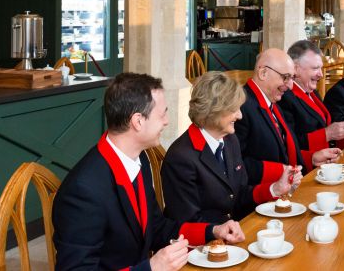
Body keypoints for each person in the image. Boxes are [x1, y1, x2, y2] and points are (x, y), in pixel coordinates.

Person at [52, 72, 243, 271]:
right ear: (138, 121)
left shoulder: (138, 158)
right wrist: (151, 268)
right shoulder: (83, 190)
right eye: (162, 114)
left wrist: (213, 231)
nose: (167, 121)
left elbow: (157, 227)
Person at [162, 72, 303, 225]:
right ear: (213, 110)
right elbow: (187, 223)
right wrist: (222, 232)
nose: (240, 115)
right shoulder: (180, 157)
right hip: (203, 245)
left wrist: (275, 189)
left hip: (231, 233)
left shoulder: (229, 140)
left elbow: (239, 194)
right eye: (234, 109)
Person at [234, 48, 342, 185]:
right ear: (263, 73)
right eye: (285, 77)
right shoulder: (241, 106)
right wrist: (281, 171)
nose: (291, 86)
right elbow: (235, 164)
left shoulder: (271, 102)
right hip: (260, 198)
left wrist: (312, 158)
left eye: (292, 78)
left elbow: (283, 151)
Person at [278, 40, 344, 155]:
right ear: (295, 69)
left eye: (320, 68)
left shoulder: (312, 92)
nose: (321, 74)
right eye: (315, 68)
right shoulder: (285, 97)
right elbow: (287, 143)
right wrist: (326, 134)